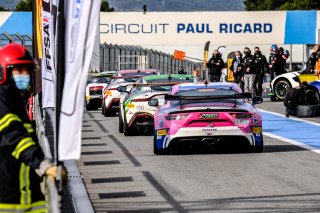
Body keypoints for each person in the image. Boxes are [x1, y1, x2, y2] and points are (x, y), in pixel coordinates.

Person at [0, 43, 61, 212]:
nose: (25, 75)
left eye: (27, 70)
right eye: (19, 71)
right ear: (4, 72)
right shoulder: (2, 102)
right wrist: (43, 164)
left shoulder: (15, 100)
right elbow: (15, 137)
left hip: (26, 195)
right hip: (9, 199)